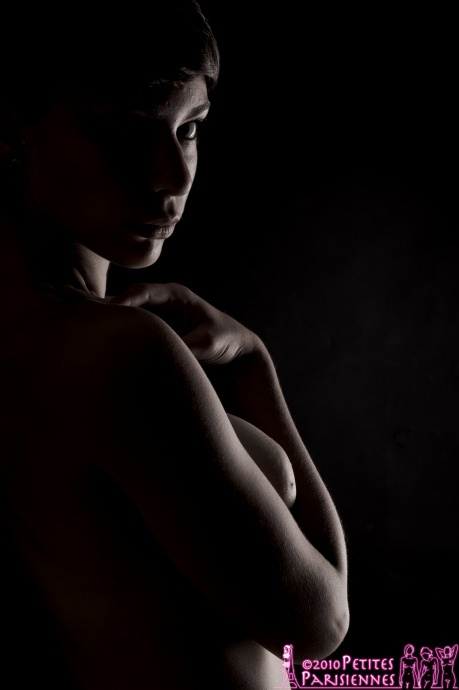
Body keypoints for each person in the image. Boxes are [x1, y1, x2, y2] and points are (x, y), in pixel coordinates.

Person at [0, 2, 349, 688]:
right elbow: (321, 628)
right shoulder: (118, 356)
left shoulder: (31, 342)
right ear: (11, 127)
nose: (175, 175)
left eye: (189, 129)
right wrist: (254, 366)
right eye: (126, 132)